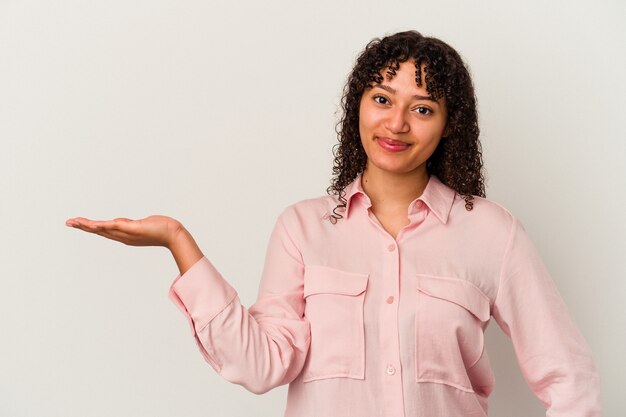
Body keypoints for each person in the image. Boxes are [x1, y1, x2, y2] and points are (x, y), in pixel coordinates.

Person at [65, 30, 601, 417]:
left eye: (422, 108)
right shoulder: (304, 228)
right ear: (358, 108)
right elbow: (262, 364)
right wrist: (177, 243)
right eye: (383, 99)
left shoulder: (491, 232)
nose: (396, 123)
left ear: (448, 124)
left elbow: (570, 379)